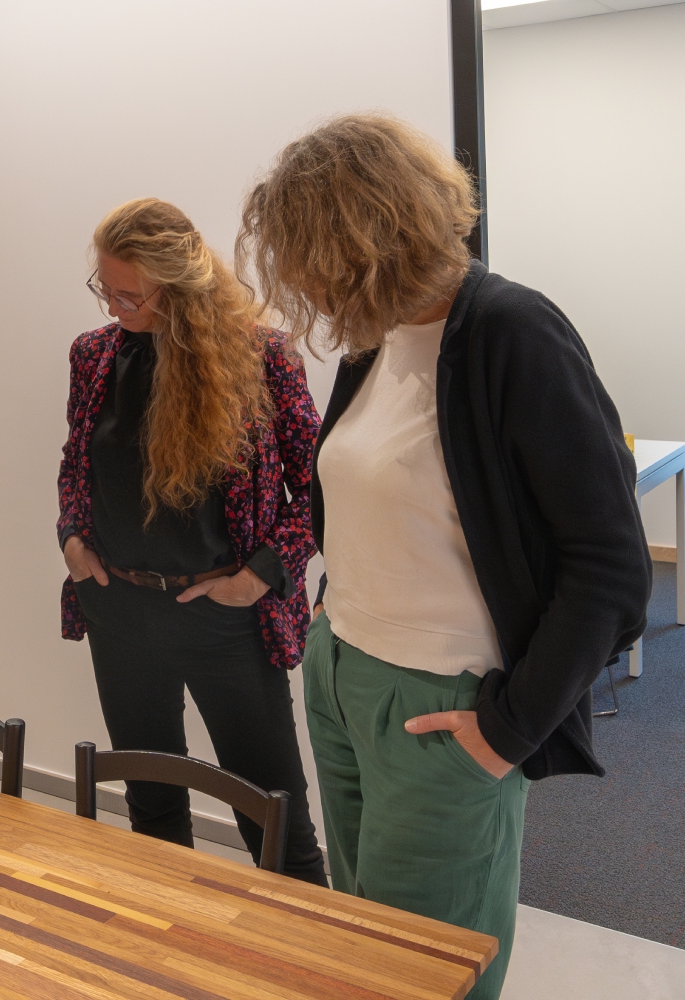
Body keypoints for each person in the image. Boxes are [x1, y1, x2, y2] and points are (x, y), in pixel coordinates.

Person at [238, 114, 650, 998]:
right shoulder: (376, 341)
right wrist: (326, 622)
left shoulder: (514, 333)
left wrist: (507, 733)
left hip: (443, 704)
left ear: (369, 236)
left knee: (423, 971)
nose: (305, 280)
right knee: (365, 940)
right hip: (343, 672)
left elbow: (611, 567)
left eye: (313, 254)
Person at [58, 198, 327, 884]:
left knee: (275, 817)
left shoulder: (261, 357)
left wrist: (262, 574)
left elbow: (322, 487)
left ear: (180, 289)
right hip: (119, 607)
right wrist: (72, 537)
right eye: (105, 289)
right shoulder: (93, 357)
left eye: (131, 294)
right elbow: (75, 464)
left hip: (225, 616)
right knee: (151, 808)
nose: (114, 307)